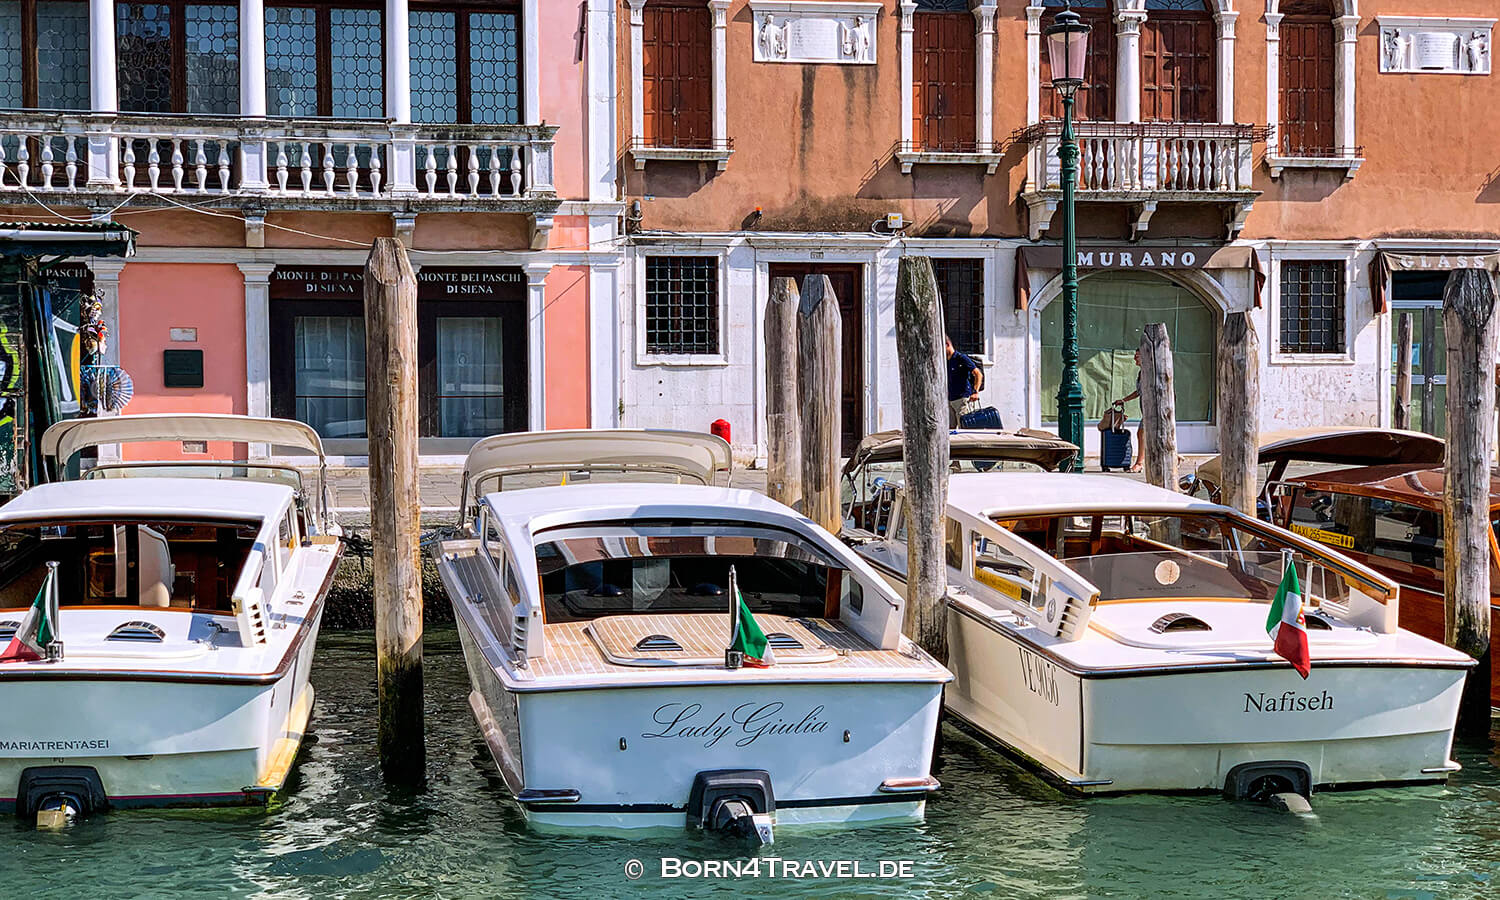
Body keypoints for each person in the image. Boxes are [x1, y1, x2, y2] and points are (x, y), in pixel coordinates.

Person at [1117, 348, 1145, 473]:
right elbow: (1139, 392)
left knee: (1141, 433)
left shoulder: (1151, 372)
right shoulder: (1141, 373)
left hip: (1153, 412)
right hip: (1146, 410)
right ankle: (1176, 457)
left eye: (1137, 356)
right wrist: (1124, 400)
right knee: (1145, 435)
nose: (1134, 358)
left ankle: (1139, 463)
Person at [946, 336, 983, 428]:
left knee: (964, 426)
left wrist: (975, 392)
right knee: (949, 429)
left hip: (961, 399)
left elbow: (978, 374)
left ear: (947, 345)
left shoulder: (961, 358)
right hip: (949, 399)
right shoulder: (945, 361)